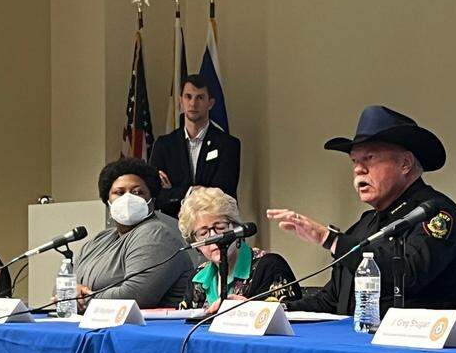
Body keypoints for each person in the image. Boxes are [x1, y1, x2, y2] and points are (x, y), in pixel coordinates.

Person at [268, 105, 456, 315]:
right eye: (355, 161)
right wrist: (274, 310)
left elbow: (407, 276)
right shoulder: (365, 225)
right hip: (354, 342)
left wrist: (330, 239)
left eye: (370, 158)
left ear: (405, 163)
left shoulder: (436, 214)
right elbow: (332, 301)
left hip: (414, 343)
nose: (358, 169)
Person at [75, 158, 193, 309]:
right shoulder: (100, 240)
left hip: (147, 330)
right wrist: (71, 293)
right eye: (119, 192)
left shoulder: (156, 234)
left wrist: (81, 299)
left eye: (138, 192)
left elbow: (134, 296)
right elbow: (62, 287)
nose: (128, 198)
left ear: (152, 199)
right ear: (108, 201)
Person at [178, 186, 301, 312]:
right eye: (203, 233)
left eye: (220, 227)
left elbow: (291, 316)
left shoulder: (270, 267)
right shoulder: (197, 277)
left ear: (236, 227)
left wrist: (251, 309)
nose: (214, 237)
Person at [149, 73, 242, 218]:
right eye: (188, 97)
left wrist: (174, 192)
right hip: (173, 226)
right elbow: (156, 195)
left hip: (213, 227)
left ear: (210, 103)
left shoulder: (228, 145)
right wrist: (192, 191)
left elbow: (223, 194)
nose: (193, 103)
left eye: (200, 97)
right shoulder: (164, 145)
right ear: (180, 101)